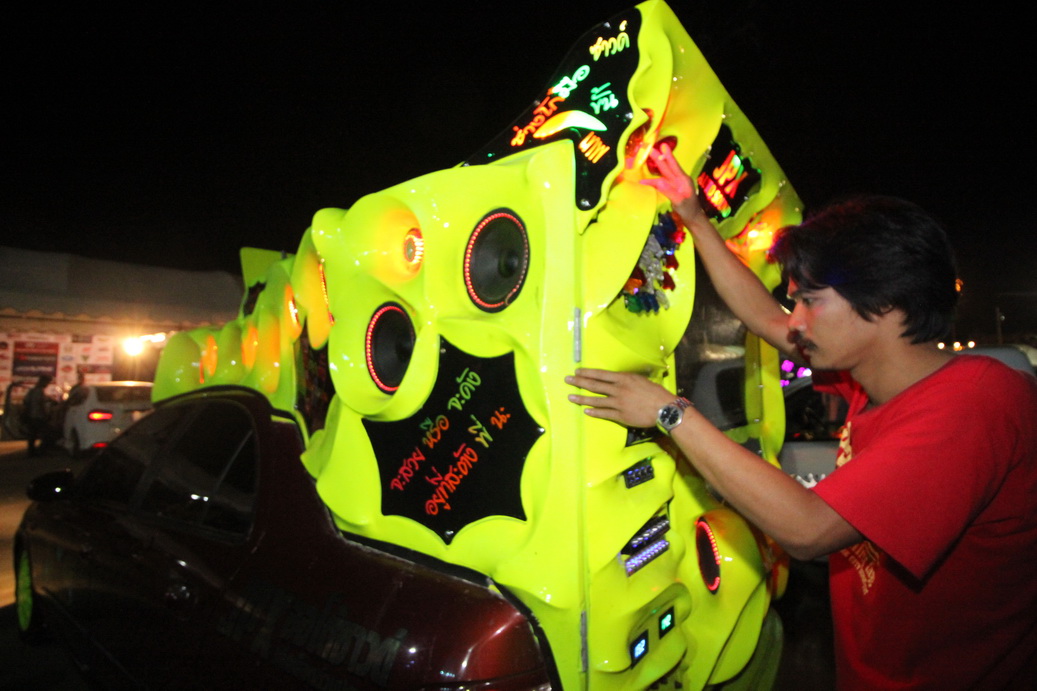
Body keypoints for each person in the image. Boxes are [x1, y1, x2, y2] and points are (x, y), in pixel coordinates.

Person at [566, 145, 1037, 689]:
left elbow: (808, 529)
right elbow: (763, 316)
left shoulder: (976, 404)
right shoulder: (875, 376)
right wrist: (694, 219)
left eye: (811, 301)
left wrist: (669, 412)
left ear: (884, 303)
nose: (796, 321)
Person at [22, 374, 54, 457]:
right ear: (43, 381)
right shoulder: (39, 391)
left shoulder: (32, 391)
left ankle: (32, 452)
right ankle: (41, 451)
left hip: (32, 416)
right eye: (47, 382)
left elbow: (26, 402)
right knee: (46, 433)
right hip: (38, 417)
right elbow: (41, 404)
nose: (47, 385)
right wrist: (45, 415)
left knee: (32, 435)